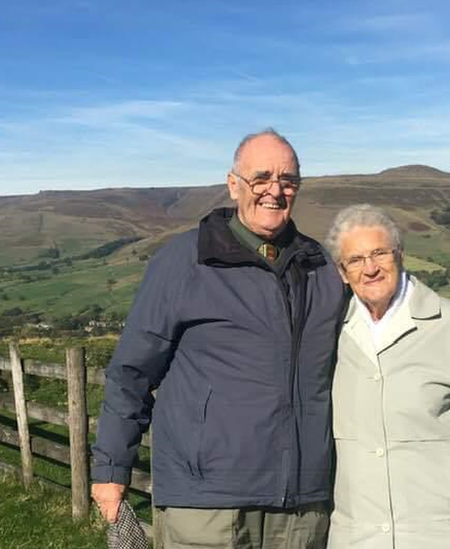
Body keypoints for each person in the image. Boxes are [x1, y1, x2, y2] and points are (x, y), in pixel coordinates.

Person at [91, 129, 346, 549]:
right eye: (260, 178)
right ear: (233, 184)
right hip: (207, 502)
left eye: (288, 180)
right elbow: (131, 372)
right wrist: (111, 471)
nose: (274, 191)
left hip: (302, 505)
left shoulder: (321, 269)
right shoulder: (184, 261)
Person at [324, 204, 450, 549]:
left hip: (443, 532)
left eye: (379, 253)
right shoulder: (332, 332)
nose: (370, 268)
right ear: (342, 271)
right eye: (355, 260)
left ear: (399, 255)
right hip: (357, 535)